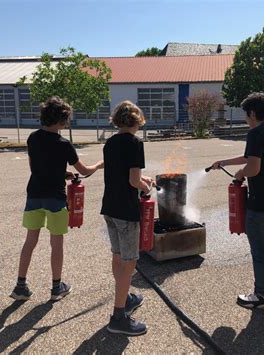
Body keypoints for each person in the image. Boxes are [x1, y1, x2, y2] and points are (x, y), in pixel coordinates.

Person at [10, 96, 103, 302]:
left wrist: (61, 173)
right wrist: (98, 166)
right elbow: (84, 170)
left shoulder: (33, 138)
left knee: (30, 241)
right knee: (56, 243)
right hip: (55, 199)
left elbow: (36, 167)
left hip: (34, 195)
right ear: (62, 120)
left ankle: (20, 285)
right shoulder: (64, 144)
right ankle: (56, 286)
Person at [211, 92, 264, 309]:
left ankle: (261, 295)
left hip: (263, 204)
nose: (245, 118)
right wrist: (223, 162)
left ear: (253, 113)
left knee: (259, 251)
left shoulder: (256, 134)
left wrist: (240, 173)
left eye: (246, 114)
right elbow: (251, 157)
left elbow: (253, 167)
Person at [101, 100, 155, 335]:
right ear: (137, 120)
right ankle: (118, 317)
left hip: (110, 208)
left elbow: (122, 174)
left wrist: (142, 181)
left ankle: (127, 298)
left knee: (117, 255)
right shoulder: (135, 143)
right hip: (126, 210)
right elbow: (134, 181)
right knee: (129, 261)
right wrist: (145, 186)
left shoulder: (110, 143)